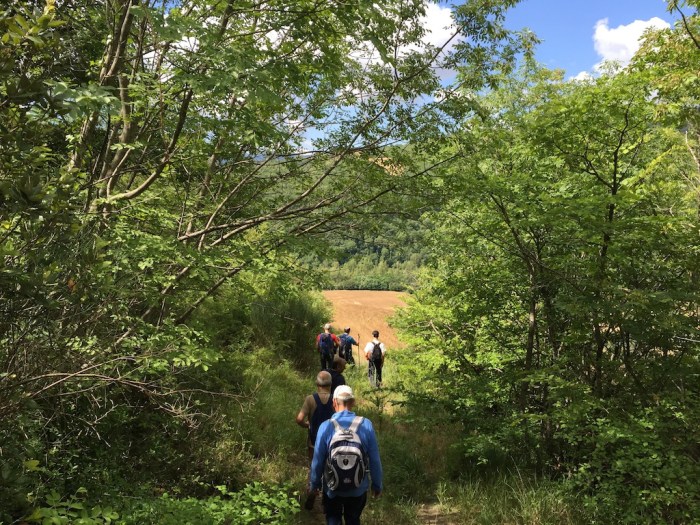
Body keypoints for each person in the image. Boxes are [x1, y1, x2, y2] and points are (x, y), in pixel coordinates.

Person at [309, 385, 383, 525]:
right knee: (353, 519)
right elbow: (374, 459)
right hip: (358, 488)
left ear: (334, 402)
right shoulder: (366, 425)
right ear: (353, 402)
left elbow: (317, 460)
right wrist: (377, 484)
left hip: (332, 488)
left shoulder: (325, 426)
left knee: (333, 518)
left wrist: (315, 484)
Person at [296, 371, 335, 510]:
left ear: (317, 384)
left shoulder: (310, 399)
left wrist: (307, 425)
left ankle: (312, 489)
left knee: (313, 466)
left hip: (314, 442)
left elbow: (299, 419)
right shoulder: (335, 400)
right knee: (329, 469)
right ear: (330, 384)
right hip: (331, 442)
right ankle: (327, 497)